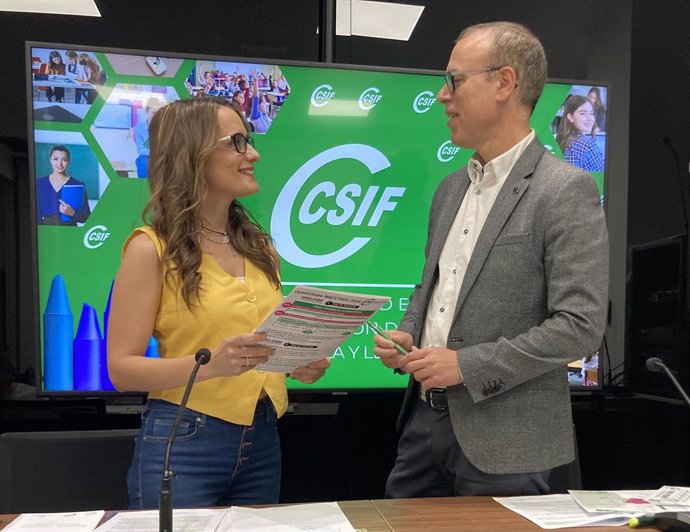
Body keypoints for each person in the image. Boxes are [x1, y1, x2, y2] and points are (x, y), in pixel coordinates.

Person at [373, 21, 608, 498]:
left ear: (504, 82)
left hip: (510, 440)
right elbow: (433, 286)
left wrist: (467, 365)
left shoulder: (565, 188)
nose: (443, 96)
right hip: (422, 422)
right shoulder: (449, 189)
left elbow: (581, 325)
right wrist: (408, 333)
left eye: (454, 80)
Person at [106, 96, 330, 509]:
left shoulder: (261, 247)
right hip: (184, 439)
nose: (254, 154)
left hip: (263, 437)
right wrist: (209, 364)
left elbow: (263, 349)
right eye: (238, 142)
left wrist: (299, 363)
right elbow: (121, 370)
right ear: (192, 155)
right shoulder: (149, 249)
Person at [36, 145, 91, 225]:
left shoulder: (78, 185)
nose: (60, 163)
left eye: (64, 160)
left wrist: (72, 213)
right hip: (46, 232)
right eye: (55, 159)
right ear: (50, 160)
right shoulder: (39, 184)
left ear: (69, 161)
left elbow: (86, 216)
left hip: (69, 233)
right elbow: (35, 213)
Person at [556, 95, 605, 172]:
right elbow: (601, 179)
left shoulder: (562, 139)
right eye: (583, 113)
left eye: (591, 113)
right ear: (570, 117)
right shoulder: (587, 145)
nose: (590, 119)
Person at [133, 97, 162, 178]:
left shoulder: (163, 127)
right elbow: (141, 150)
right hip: (148, 158)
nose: (156, 116)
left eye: (158, 113)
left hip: (160, 157)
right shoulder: (139, 128)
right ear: (147, 112)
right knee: (143, 160)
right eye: (153, 113)